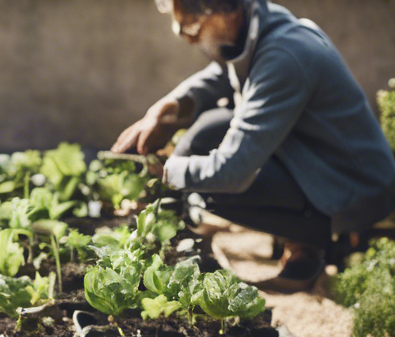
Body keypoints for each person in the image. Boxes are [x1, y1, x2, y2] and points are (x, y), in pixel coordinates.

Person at [112, 0, 395, 292]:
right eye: (180, 28)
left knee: (207, 183)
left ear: (227, 10)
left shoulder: (286, 54)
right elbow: (222, 74)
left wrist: (166, 171)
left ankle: (312, 239)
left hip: (355, 190)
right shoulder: (259, 23)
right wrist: (167, 110)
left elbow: (232, 171)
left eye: (193, 26)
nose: (188, 37)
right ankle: (306, 237)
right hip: (316, 160)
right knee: (205, 136)